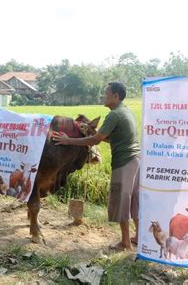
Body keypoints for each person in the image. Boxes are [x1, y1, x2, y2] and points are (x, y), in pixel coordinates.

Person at [52, 82, 140, 250]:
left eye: (106, 93)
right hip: (135, 160)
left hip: (124, 162)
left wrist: (68, 140)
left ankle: (125, 242)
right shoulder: (126, 111)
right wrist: (92, 131)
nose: (103, 97)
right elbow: (107, 137)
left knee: (121, 201)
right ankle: (139, 237)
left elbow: (95, 141)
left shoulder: (114, 115)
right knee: (134, 201)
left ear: (115, 96)